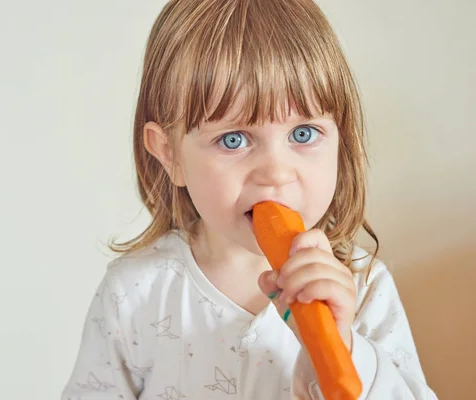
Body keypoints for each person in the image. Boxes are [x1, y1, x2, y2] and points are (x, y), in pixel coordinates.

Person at [61, 0, 437, 398]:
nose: (276, 172)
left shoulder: (362, 289)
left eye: (304, 134)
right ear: (169, 154)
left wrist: (345, 351)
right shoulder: (135, 293)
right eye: (234, 140)